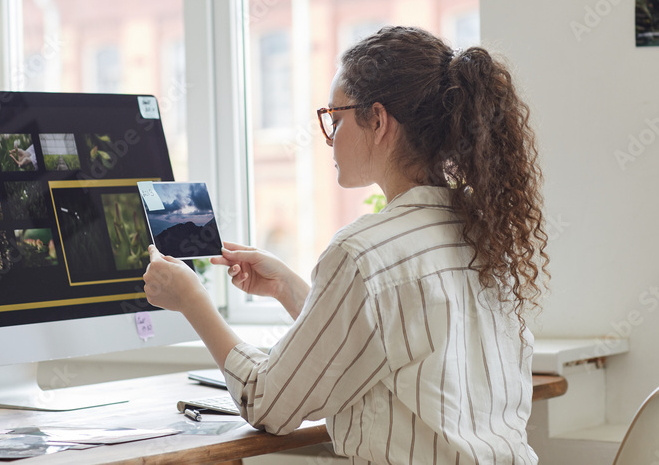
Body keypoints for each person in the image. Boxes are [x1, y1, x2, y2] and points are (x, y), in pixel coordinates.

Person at [143, 26, 548, 464]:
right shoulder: (484, 231)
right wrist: (289, 290)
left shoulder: (364, 252)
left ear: (378, 120)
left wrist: (192, 301)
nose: (331, 138)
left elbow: (268, 404)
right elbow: (384, 338)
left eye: (335, 119)